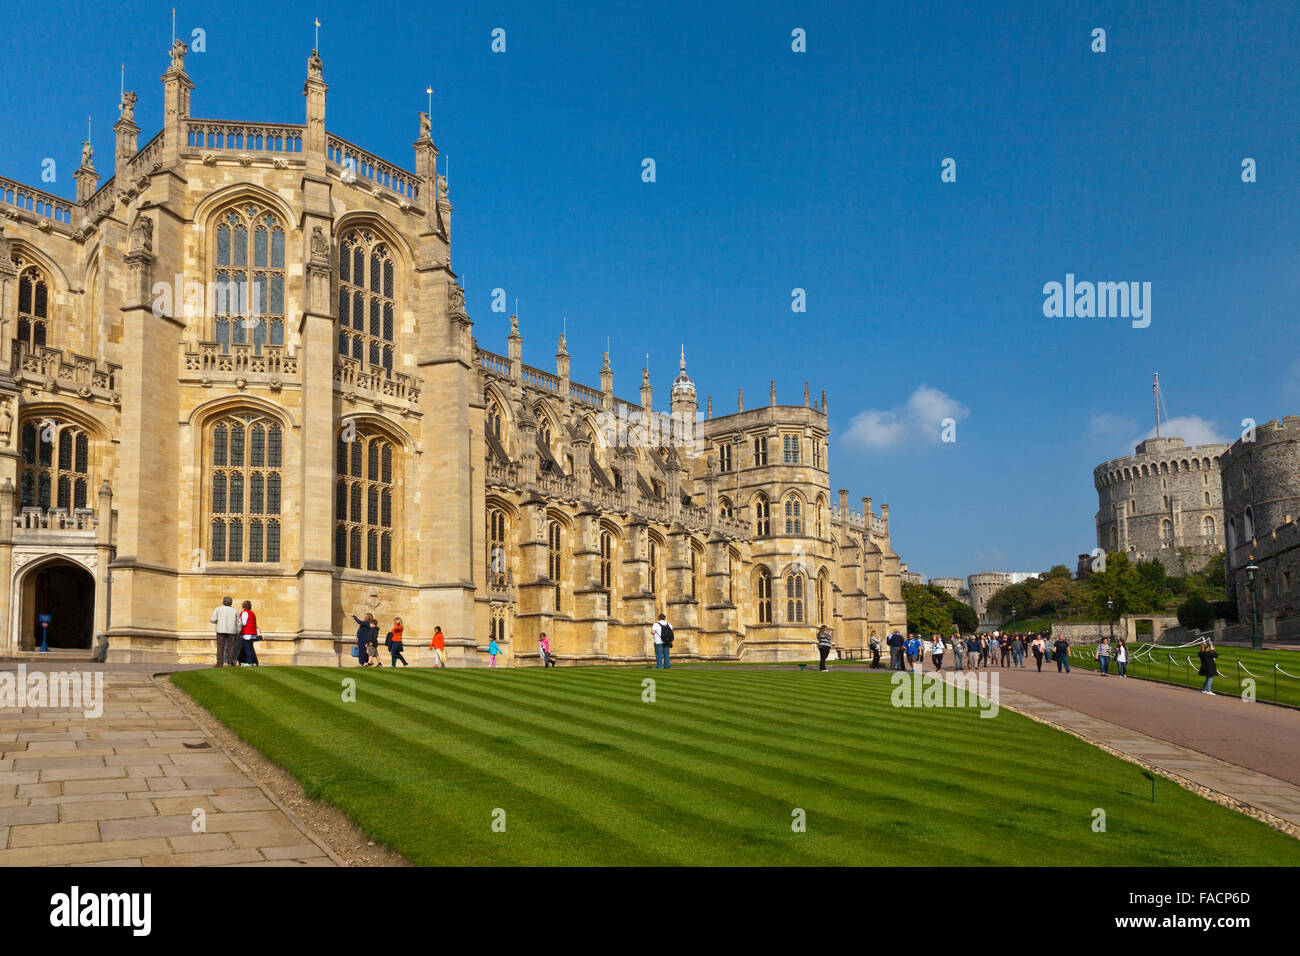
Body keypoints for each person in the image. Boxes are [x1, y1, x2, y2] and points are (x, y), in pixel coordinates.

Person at [209, 596, 240, 667]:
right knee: (231, 647)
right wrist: (238, 631)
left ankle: (219, 663)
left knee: (220, 647)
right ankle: (230, 663)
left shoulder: (218, 609)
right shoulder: (235, 611)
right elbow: (239, 623)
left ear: (223, 602)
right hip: (232, 630)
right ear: (231, 603)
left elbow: (212, 619)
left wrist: (219, 621)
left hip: (220, 629)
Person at [238, 600, 260, 667]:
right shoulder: (252, 613)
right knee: (250, 648)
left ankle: (249, 662)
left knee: (247, 648)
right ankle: (251, 661)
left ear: (244, 606)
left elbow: (243, 623)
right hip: (252, 633)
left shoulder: (244, 612)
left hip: (247, 633)